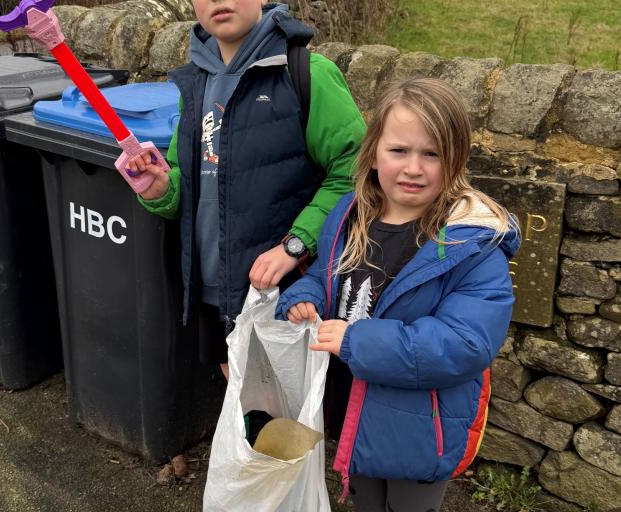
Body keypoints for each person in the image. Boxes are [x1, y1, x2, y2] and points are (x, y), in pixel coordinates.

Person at [276, 78, 520, 512]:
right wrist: (305, 294)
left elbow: (466, 344)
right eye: (399, 151)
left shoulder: (472, 245)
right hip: (355, 405)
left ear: (456, 160)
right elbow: (330, 278)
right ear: (372, 154)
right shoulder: (350, 212)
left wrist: (356, 340)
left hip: (423, 428)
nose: (414, 168)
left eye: (432, 154)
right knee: (366, 500)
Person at [129, 1, 365, 380]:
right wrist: (160, 188)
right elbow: (186, 180)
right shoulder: (195, 82)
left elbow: (356, 174)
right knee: (244, 400)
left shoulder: (307, 75)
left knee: (289, 415)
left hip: (283, 291)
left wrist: (295, 245)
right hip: (213, 288)